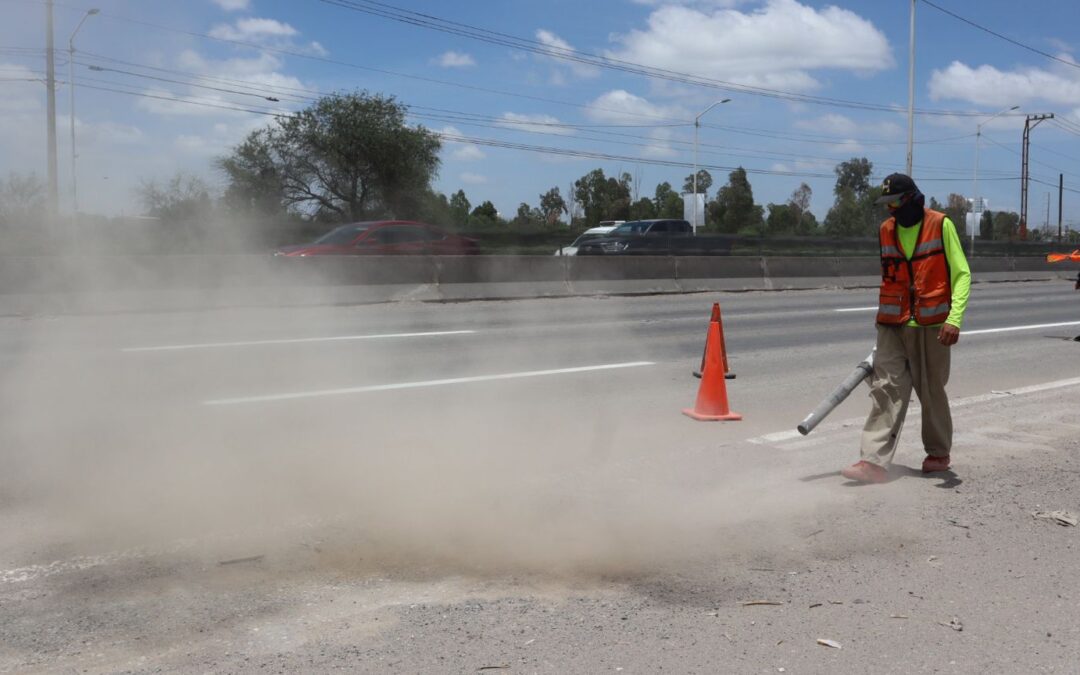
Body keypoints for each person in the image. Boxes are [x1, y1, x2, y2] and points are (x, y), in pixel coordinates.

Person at [841, 173, 971, 483]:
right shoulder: (885, 230)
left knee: (932, 391)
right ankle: (872, 461)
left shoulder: (940, 224)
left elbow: (962, 274)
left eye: (896, 202)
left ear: (912, 198)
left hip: (932, 324)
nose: (891, 210)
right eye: (887, 205)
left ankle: (938, 453)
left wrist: (954, 318)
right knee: (886, 389)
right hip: (892, 323)